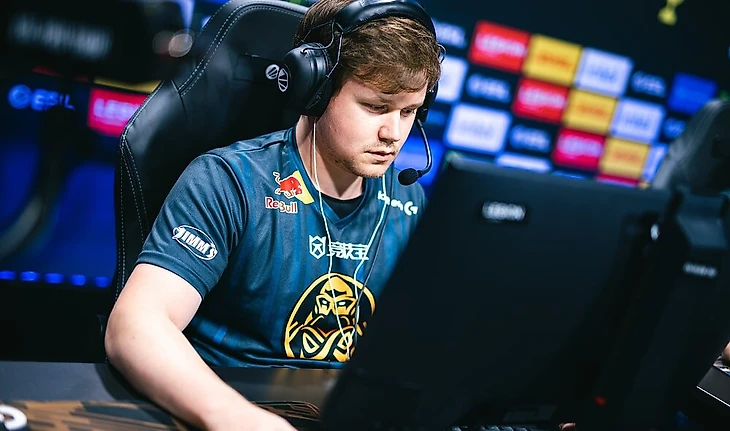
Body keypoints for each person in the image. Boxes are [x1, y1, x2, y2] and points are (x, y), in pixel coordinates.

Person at [103, 0, 443, 429]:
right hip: (233, 405)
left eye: (409, 112)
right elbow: (135, 325)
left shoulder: (410, 203)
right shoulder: (229, 180)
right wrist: (236, 418)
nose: (393, 133)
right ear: (315, 91)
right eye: (375, 107)